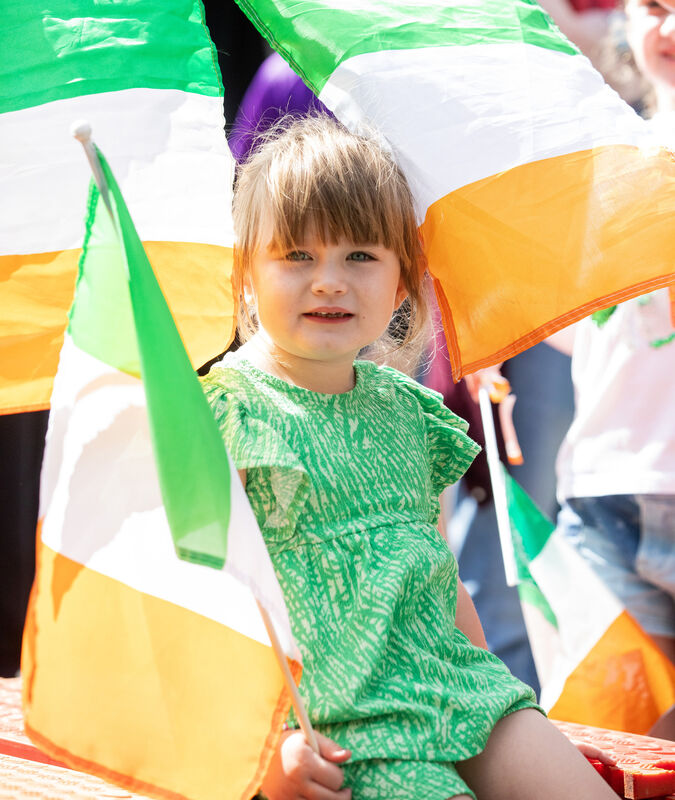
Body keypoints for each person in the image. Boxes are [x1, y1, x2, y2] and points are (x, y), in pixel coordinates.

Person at [201, 114, 617, 799]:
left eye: (359, 256)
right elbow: (199, 603)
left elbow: (431, 566)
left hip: (456, 688)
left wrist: (489, 683)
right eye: (296, 256)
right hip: (345, 722)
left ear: (403, 281)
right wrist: (261, 749)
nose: (329, 281)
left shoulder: (405, 408)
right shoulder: (227, 415)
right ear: (245, 273)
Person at [553, 0, 675, 738]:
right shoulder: (598, 155)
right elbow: (576, 328)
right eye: (655, 7)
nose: (668, 31)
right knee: (617, 745)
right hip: (604, 488)